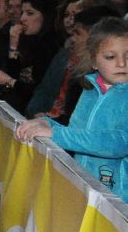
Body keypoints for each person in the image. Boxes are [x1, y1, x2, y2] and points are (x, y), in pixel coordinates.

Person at [16, 17, 128, 198]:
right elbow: (77, 133)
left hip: (117, 200)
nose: (122, 63)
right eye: (110, 57)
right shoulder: (90, 90)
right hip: (83, 187)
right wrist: (48, 124)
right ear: (93, 61)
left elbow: (119, 143)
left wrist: (57, 134)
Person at [0, 0, 59, 110]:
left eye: (30, 13)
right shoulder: (30, 40)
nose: (22, 18)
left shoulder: (52, 47)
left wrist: (9, 81)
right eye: (22, 13)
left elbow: (38, 91)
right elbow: (15, 73)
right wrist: (13, 43)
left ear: (46, 16)